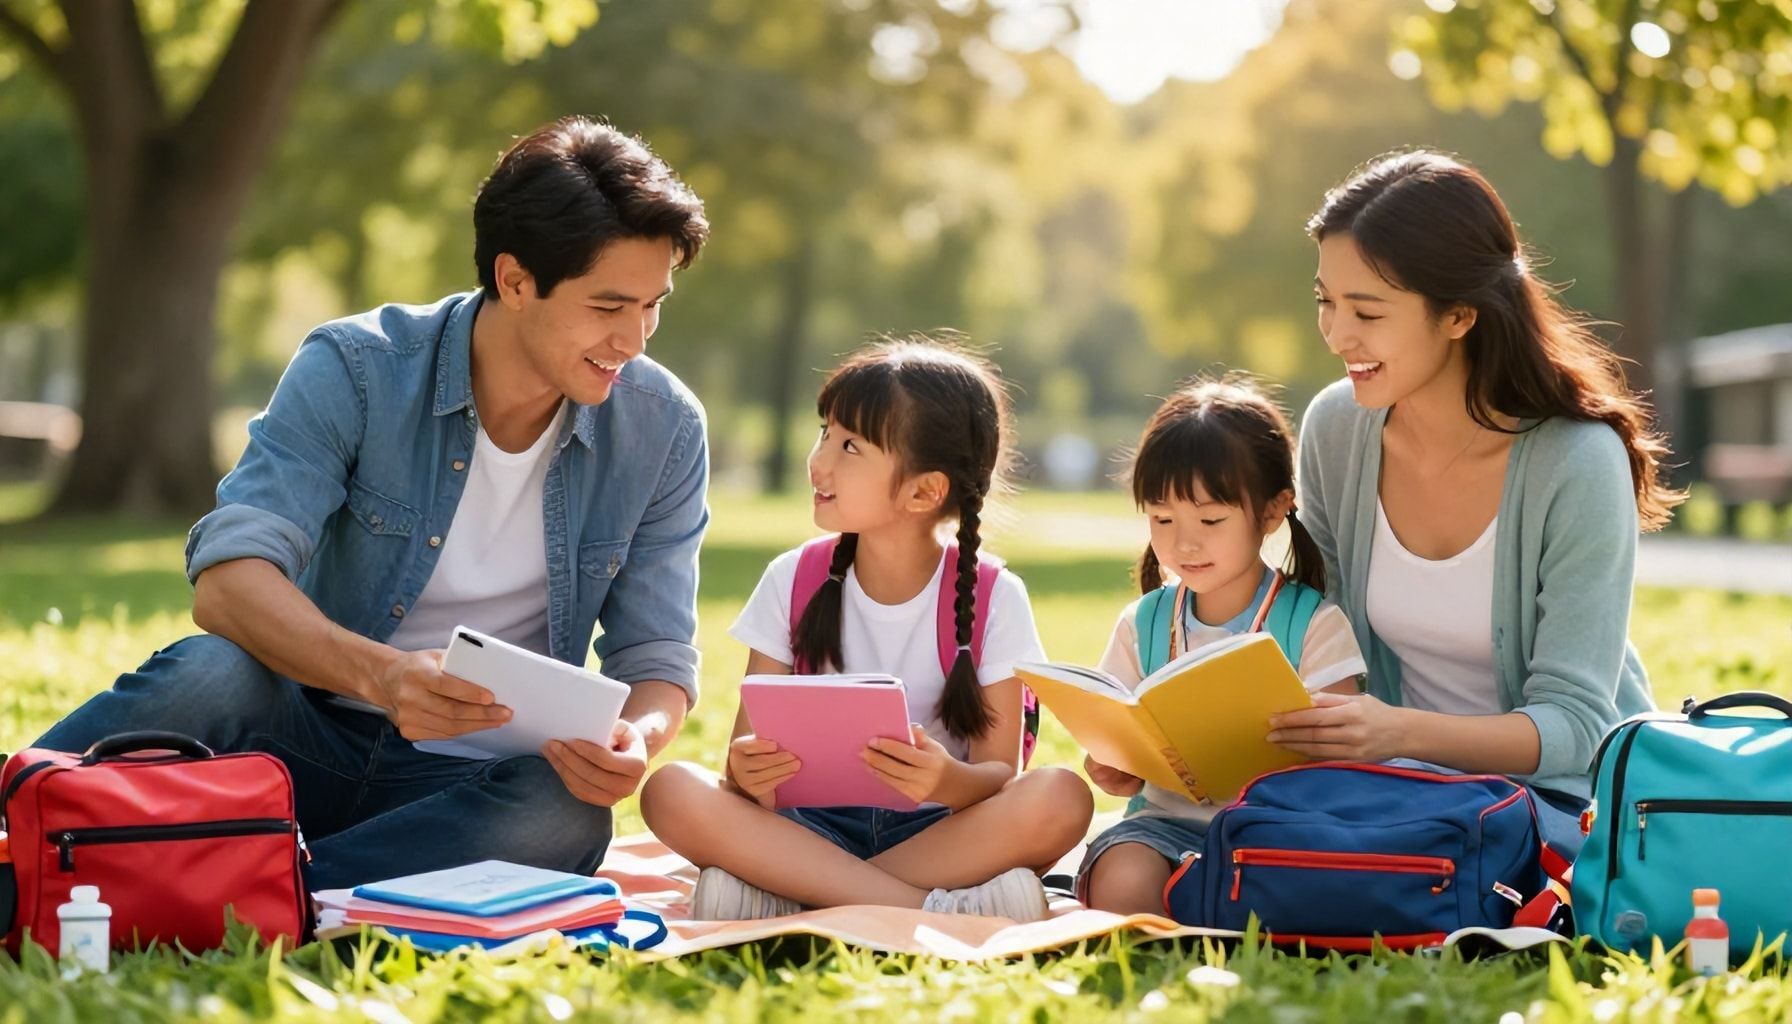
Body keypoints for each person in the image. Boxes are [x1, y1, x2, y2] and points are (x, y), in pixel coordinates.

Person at [32, 116, 713, 889]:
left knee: (563, 811)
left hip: (464, 786)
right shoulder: (358, 369)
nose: (636, 338)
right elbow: (229, 580)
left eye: (653, 305)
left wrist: (636, 738)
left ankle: (277, 892)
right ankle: (17, 826)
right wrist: (384, 678)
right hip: (299, 736)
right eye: (608, 306)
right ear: (517, 281)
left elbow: (656, 657)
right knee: (210, 674)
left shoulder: (664, 428)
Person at [1272, 150, 1681, 854]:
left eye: (1367, 311)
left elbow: (1575, 728)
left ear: (1459, 315)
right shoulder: (1335, 429)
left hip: (1560, 801)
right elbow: (1321, 638)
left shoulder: (1577, 461)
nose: (1339, 335)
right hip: (1394, 787)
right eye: (1325, 302)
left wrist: (1398, 733)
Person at [641, 338, 1093, 922]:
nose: (819, 460)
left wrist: (944, 781)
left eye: (849, 445)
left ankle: (790, 895)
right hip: (806, 827)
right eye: (823, 432)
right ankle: (932, 908)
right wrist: (748, 772)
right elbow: (741, 766)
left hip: (939, 831)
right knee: (670, 789)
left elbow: (998, 774)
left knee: (1062, 796)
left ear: (924, 491)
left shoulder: (994, 597)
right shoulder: (792, 579)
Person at [1077, 377, 1367, 916]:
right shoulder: (1143, 622)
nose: (1185, 542)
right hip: (1161, 826)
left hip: (1275, 829)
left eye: (1210, 519)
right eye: (1162, 519)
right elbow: (1115, 731)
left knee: (1287, 891)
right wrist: (1114, 767)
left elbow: (1343, 756)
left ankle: (1211, 907)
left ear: (1273, 510)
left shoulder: (1313, 624)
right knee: (1122, 884)